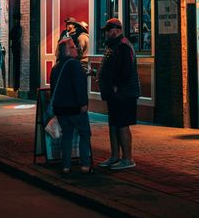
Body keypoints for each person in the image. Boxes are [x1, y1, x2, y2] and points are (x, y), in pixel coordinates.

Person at [97, 18, 140, 171]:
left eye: (109, 30)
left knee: (122, 124)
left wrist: (116, 86)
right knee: (114, 124)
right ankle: (115, 156)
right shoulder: (115, 46)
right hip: (116, 93)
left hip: (124, 93)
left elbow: (125, 70)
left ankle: (127, 159)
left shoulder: (123, 46)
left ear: (117, 29)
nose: (107, 33)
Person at [50, 37, 91, 174]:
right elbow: (79, 86)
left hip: (61, 109)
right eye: (73, 47)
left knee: (66, 136)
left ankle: (66, 166)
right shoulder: (74, 65)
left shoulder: (56, 67)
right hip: (74, 108)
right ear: (67, 50)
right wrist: (83, 103)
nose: (76, 49)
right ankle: (85, 165)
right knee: (84, 134)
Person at [9, 13, 22, 91]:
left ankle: (16, 86)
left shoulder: (16, 28)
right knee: (17, 67)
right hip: (17, 47)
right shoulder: (18, 28)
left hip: (15, 48)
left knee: (16, 67)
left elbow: (10, 36)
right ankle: (16, 86)